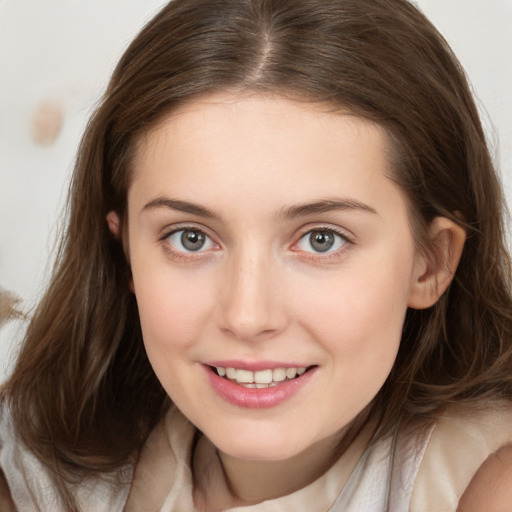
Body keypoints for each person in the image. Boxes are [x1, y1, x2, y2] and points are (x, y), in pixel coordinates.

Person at [1, 0, 512, 510]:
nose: (247, 317)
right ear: (125, 254)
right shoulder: (29, 468)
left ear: (430, 261)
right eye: (191, 238)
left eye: (321, 239)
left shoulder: (489, 484)